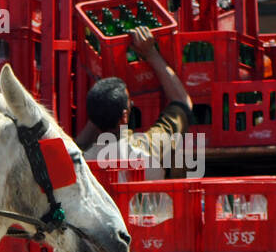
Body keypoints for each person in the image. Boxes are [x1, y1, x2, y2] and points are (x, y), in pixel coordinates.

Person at [75, 25, 194, 179]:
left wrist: (99, 109)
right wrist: (151, 53)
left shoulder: (84, 161)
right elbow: (183, 102)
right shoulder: (147, 146)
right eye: (130, 103)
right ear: (124, 116)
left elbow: (76, 146)